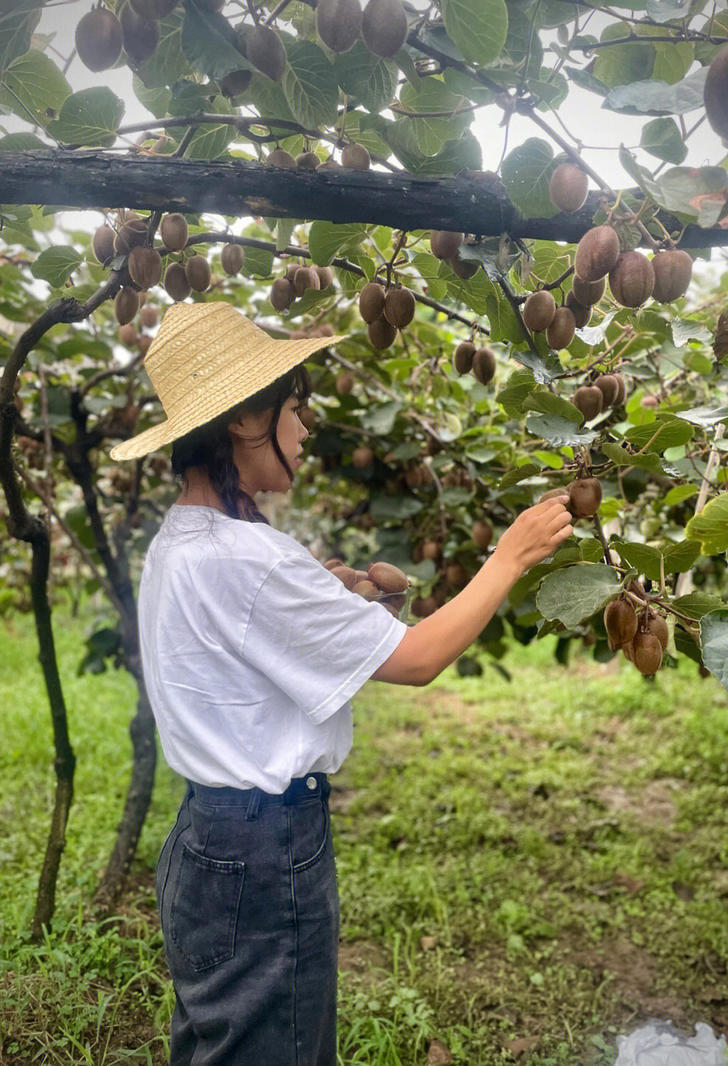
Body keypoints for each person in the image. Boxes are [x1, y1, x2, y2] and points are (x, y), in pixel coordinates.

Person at [109, 301, 572, 1066]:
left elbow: (238, 642)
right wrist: (510, 557)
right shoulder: (248, 559)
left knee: (216, 1046)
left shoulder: (180, 543)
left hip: (203, 845)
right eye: (295, 411)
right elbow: (419, 659)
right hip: (263, 856)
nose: (303, 431)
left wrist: (338, 597)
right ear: (245, 422)